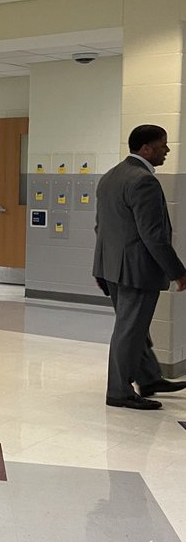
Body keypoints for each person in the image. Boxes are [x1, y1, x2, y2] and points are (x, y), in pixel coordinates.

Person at [93, 124, 186, 409]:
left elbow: (101, 227)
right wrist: (178, 272)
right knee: (129, 331)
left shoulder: (110, 176)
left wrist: (103, 267)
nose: (167, 150)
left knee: (135, 327)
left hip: (112, 268)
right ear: (146, 148)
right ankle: (119, 392)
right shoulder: (143, 181)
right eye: (162, 145)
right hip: (136, 271)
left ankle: (149, 378)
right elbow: (153, 235)